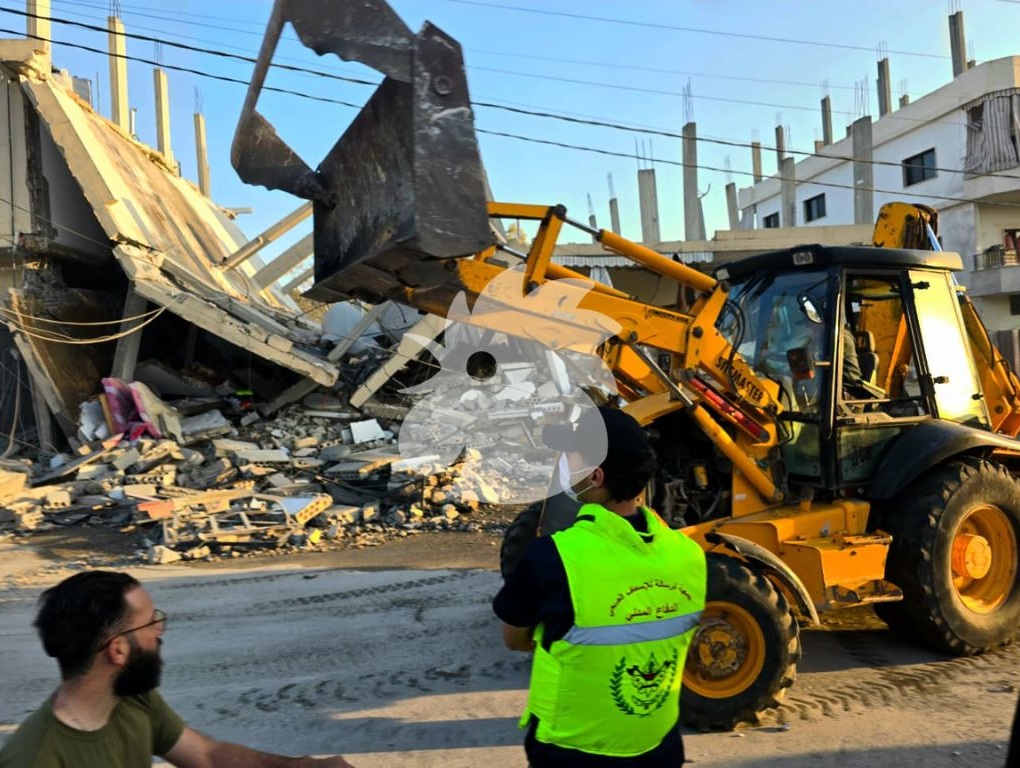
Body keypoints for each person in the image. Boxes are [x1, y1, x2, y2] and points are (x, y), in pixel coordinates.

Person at [493, 406, 707, 767]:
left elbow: (515, 639)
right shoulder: (690, 554)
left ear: (595, 475)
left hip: (572, 750)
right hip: (659, 745)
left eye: (570, 456)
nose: (564, 464)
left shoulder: (553, 556)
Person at [0, 571, 355, 768]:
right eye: (150, 623)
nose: (160, 631)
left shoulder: (131, 700)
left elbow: (207, 756)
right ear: (119, 650)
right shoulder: (36, 758)